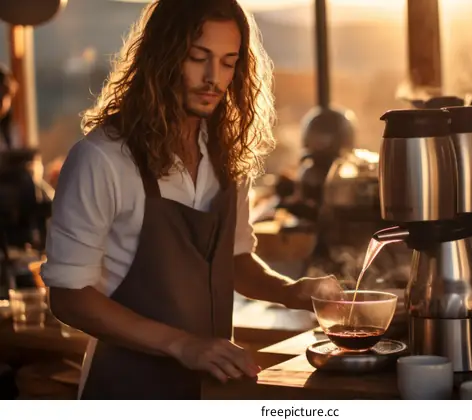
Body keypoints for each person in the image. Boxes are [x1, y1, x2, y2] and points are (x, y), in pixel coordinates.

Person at [41, 0, 341, 400]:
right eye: (197, 58)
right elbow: (68, 296)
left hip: (210, 391)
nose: (213, 78)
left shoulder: (226, 157)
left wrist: (291, 292)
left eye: (228, 62)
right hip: (126, 390)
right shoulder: (102, 159)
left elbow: (234, 261)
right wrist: (183, 344)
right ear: (161, 55)